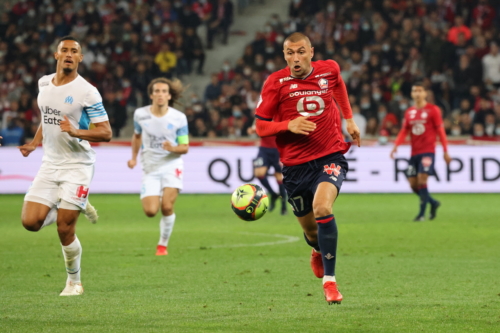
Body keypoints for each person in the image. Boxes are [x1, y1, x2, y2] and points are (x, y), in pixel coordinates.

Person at [255, 33, 361, 305]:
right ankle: (316, 248)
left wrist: (349, 119)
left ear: (311, 52)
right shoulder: (275, 83)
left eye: (301, 52)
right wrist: (286, 125)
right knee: (311, 231)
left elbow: (338, 87)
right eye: (290, 53)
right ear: (284, 55)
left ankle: (330, 282)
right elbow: (260, 126)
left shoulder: (330, 69)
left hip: (330, 155)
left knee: (323, 208)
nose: (295, 58)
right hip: (294, 167)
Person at [17, 36, 112, 296]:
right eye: (65, 50)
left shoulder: (87, 92)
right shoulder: (44, 83)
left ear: (80, 58)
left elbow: (106, 133)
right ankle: (71, 204)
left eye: (75, 51)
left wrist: (77, 131)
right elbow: (48, 117)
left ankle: (74, 283)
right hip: (50, 164)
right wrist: (35, 143)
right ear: (56, 55)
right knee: (30, 222)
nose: (69, 54)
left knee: (64, 228)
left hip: (78, 165)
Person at [127, 78, 189, 256]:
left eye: (164, 91)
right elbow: (137, 136)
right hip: (150, 168)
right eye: (157, 91)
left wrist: (173, 148)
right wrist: (133, 158)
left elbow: (185, 147)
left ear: (169, 96)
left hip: (172, 164)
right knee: (150, 211)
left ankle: (162, 245)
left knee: (167, 207)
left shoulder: (179, 118)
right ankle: (159, 195)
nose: (160, 94)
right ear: (151, 95)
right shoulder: (140, 114)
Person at [390, 82, 452, 221]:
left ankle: (421, 215)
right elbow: (404, 130)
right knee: (413, 184)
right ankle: (433, 202)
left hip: (428, 151)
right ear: (412, 94)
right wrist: (396, 146)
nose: (417, 93)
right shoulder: (409, 112)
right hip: (414, 153)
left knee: (422, 180)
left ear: (425, 94)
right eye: (414, 91)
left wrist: (445, 150)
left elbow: (440, 131)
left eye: (420, 91)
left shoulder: (433, 110)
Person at [247, 123, 287, 215]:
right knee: (259, 173)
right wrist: (253, 130)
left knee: (279, 177)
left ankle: (283, 206)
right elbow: (256, 128)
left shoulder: (280, 115)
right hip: (264, 149)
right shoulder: (262, 115)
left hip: (278, 149)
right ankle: (273, 193)